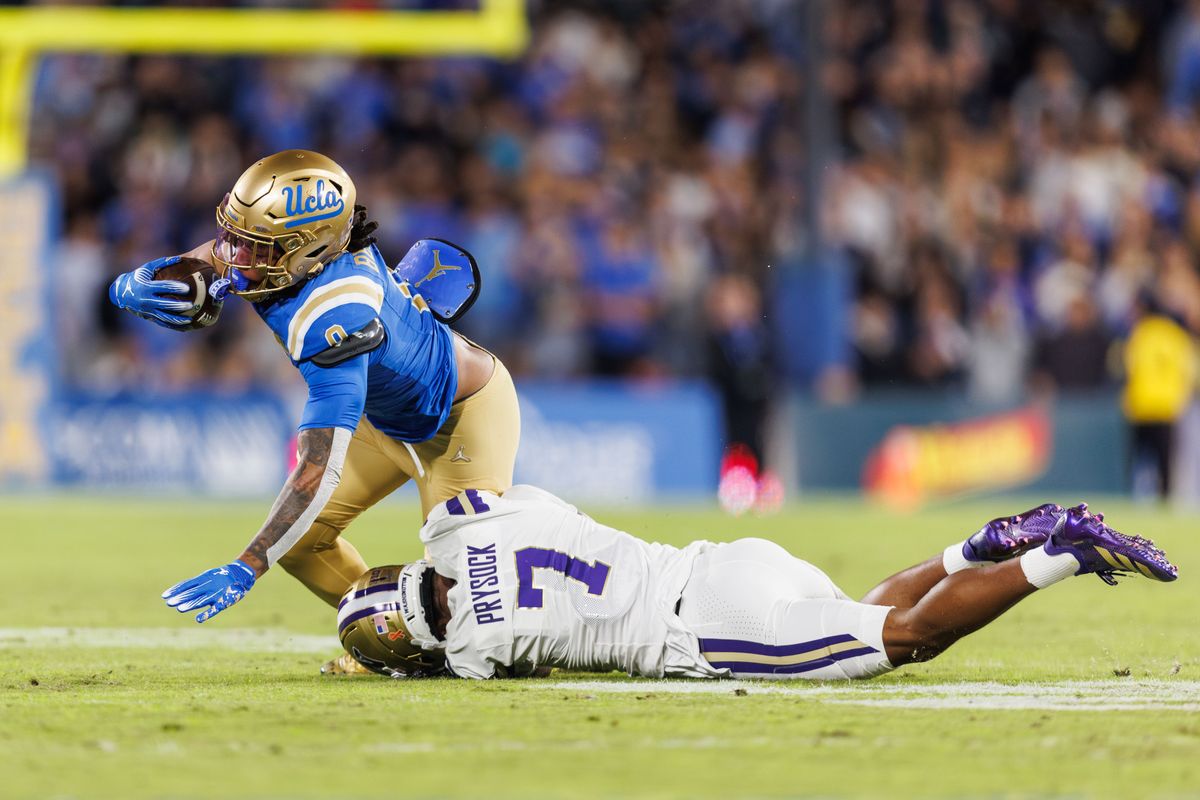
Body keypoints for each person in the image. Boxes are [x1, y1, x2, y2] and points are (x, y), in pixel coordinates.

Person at [107, 150, 521, 674]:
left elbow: (315, 469)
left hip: (460, 422)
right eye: (236, 236)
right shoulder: (288, 260)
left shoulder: (338, 314)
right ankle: (407, 639)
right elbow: (209, 260)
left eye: (252, 246)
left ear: (308, 252)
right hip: (389, 414)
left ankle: (524, 629)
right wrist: (136, 284)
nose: (232, 255)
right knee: (303, 546)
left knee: (475, 621)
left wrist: (248, 565)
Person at [335, 486, 1177, 680]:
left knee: (905, 642)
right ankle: (981, 546)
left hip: (703, 624)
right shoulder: (465, 521)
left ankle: (1063, 553)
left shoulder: (475, 645)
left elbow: (488, 660)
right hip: (719, 561)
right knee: (861, 614)